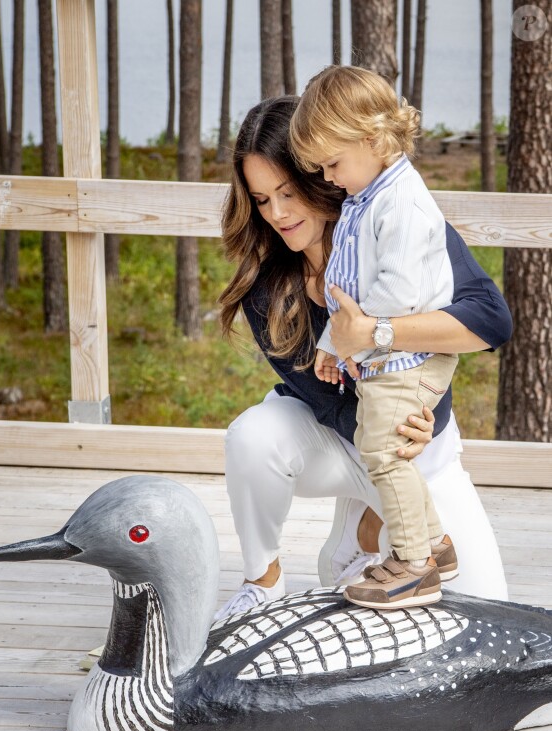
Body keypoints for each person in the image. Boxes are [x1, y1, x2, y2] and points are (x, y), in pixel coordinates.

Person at [214, 96, 511, 621]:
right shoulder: (268, 290)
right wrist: (396, 426)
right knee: (253, 435)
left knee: (487, 609)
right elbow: (326, 402)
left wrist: (378, 334)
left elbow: (489, 320)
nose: (277, 214)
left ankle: (362, 532)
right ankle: (263, 582)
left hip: (421, 451)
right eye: (261, 200)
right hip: (344, 437)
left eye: (288, 192)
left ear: (322, 175)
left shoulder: (402, 225)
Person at [288, 65, 459, 610]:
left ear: (370, 137)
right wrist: (329, 345)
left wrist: (343, 343)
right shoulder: (370, 195)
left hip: (410, 355)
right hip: (390, 352)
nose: (329, 178)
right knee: (377, 448)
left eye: (332, 163)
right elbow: (352, 286)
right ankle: (434, 544)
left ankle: (413, 567)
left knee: (384, 456)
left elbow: (397, 293)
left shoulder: (401, 203)